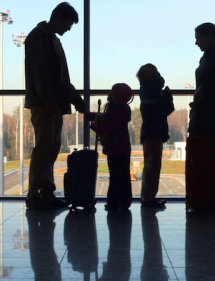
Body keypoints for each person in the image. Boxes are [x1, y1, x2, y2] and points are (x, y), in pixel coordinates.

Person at [24, 2, 87, 210]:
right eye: (68, 24)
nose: (68, 29)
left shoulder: (52, 40)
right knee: (44, 150)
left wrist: (76, 100)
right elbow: (40, 72)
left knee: (50, 150)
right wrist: (50, 101)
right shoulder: (39, 37)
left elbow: (61, 79)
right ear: (59, 17)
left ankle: (46, 193)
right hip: (46, 105)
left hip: (52, 105)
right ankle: (35, 196)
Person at [87, 83, 133, 210]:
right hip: (122, 147)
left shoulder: (114, 110)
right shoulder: (123, 109)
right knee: (123, 175)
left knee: (115, 176)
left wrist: (94, 125)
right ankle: (124, 201)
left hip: (114, 147)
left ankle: (113, 202)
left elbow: (108, 126)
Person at [137, 64, 175, 208]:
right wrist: (167, 97)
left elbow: (162, 110)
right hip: (153, 131)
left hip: (152, 131)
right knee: (152, 165)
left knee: (152, 165)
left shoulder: (148, 91)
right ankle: (148, 198)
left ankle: (149, 197)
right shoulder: (151, 91)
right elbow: (164, 110)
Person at [188, 23, 215, 137]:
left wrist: (204, 89)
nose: (196, 42)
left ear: (207, 37)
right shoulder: (210, 57)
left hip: (211, 115)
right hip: (208, 114)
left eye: (198, 38)